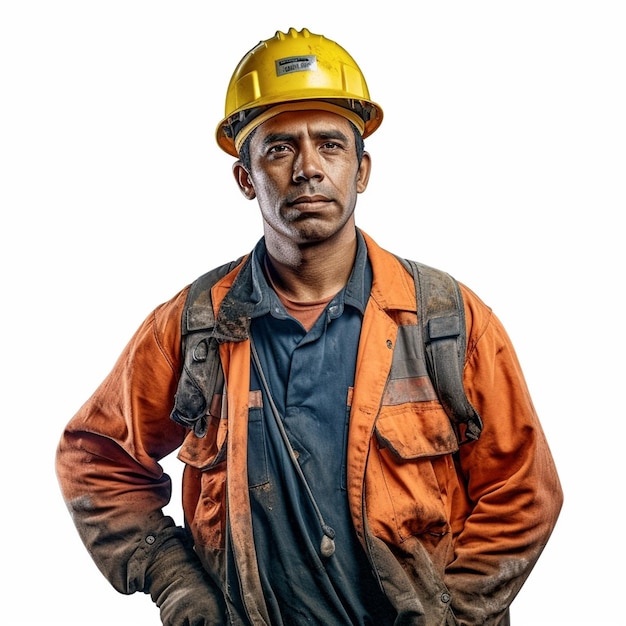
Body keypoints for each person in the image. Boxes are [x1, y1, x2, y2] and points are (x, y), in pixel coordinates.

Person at [56, 27, 563, 626]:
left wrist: (452, 617)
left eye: (329, 145)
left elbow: (523, 493)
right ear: (246, 178)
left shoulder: (445, 320)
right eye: (278, 148)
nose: (307, 169)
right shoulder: (193, 328)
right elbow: (95, 458)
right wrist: (174, 581)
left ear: (362, 169)